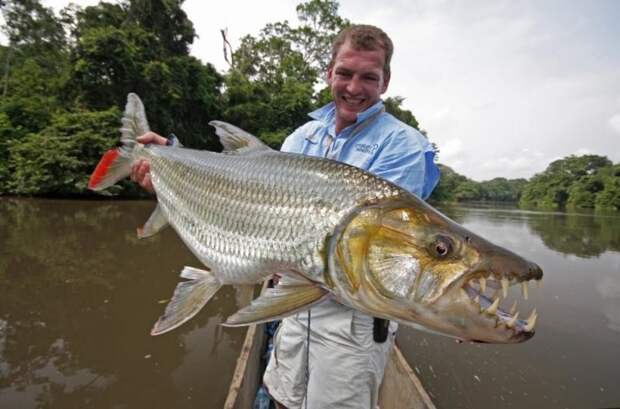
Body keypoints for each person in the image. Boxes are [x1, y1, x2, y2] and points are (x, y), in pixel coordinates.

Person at [131, 24, 439, 409]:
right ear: (329, 72)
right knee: (281, 397)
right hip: (292, 308)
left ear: (385, 81)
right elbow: (246, 190)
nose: (354, 88)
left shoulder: (405, 147)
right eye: (345, 73)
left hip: (352, 326)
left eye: (368, 77)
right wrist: (170, 160)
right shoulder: (302, 138)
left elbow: (381, 255)